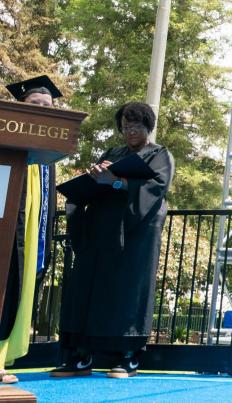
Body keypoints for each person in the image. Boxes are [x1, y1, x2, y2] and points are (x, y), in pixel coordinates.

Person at [53, 101, 173, 379]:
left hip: (136, 235)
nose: (130, 132)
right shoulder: (114, 153)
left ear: (148, 127)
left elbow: (154, 189)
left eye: (136, 126)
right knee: (89, 289)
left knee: (127, 291)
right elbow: (99, 182)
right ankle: (81, 356)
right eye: (125, 127)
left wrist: (116, 182)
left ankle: (127, 356)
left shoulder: (159, 155)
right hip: (102, 230)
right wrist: (94, 178)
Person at [1, 76, 62, 384]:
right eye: (35, 104)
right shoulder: (7, 137)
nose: (42, 109)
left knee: (18, 289)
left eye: (47, 106)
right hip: (6, 229)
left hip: (31, 233)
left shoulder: (50, 152)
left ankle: (1, 358)